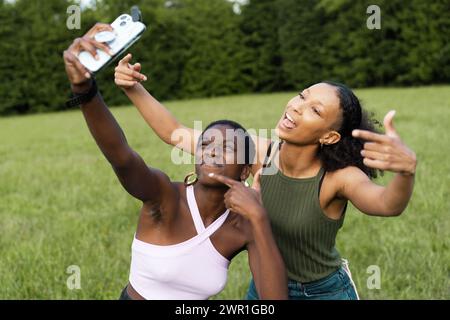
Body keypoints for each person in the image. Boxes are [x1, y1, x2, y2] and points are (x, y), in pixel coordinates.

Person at [113, 54, 417, 300]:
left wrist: (405, 172)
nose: (296, 107)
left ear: (329, 136)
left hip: (323, 292)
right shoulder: (261, 154)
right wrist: (132, 87)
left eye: (314, 109)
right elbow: (174, 133)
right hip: (266, 286)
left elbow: (387, 204)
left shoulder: (339, 178)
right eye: (302, 95)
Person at [63, 23, 287, 300]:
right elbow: (121, 157)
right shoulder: (164, 195)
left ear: (244, 170)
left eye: (227, 147)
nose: (211, 151)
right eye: (205, 144)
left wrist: (259, 217)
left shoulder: (244, 223)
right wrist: (84, 90)